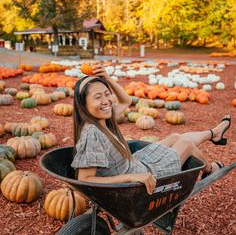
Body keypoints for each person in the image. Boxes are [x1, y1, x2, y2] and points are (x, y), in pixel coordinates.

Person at [72, 63, 231, 195]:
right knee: (187, 145)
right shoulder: (92, 133)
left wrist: (107, 78)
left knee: (175, 137)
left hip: (135, 164)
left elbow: (126, 100)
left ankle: (214, 134)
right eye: (97, 97)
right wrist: (130, 178)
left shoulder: (100, 119)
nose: (106, 100)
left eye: (107, 94)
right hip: (139, 178)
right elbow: (84, 179)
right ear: (83, 104)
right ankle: (210, 168)